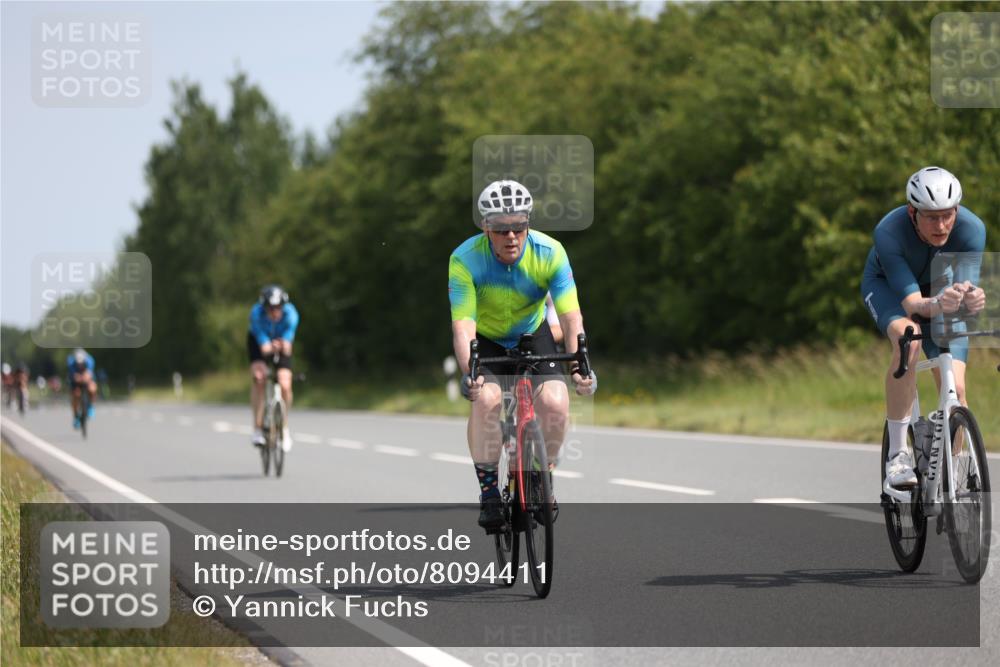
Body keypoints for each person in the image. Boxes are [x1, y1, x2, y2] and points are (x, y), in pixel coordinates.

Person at [449, 179, 596, 531]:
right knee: (486, 400)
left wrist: (579, 363)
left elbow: (570, 316)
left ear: (528, 223)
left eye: (519, 226)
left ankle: (540, 477)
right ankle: (488, 494)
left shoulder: (551, 253)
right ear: (487, 227)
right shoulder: (465, 259)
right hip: (486, 339)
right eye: (501, 229)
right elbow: (463, 326)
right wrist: (471, 371)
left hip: (533, 334)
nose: (511, 236)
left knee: (557, 403)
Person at [861, 166, 987, 488]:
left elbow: (962, 291)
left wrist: (971, 300)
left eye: (948, 215)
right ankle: (899, 455)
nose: (941, 225)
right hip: (891, 289)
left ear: (957, 210)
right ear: (911, 212)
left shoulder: (972, 229)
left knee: (956, 390)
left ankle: (955, 472)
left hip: (939, 291)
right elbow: (914, 305)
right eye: (931, 217)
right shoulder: (888, 231)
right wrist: (938, 304)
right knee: (910, 338)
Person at [248, 284, 300, 451]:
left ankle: (284, 428)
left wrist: (283, 345)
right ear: (264, 307)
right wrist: (268, 346)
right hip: (258, 342)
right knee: (259, 378)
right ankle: (257, 428)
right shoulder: (256, 314)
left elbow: (287, 346)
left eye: (278, 308)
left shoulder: (291, 314)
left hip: (280, 341)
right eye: (270, 308)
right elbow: (263, 347)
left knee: (285, 383)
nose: (274, 311)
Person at [67, 348, 98, 428]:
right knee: (75, 395)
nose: (80, 365)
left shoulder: (90, 361)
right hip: (75, 381)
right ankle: (76, 416)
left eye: (81, 363)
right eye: (78, 364)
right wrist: (78, 378)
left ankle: (90, 406)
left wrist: (85, 378)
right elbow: (74, 376)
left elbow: (89, 374)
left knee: (92, 388)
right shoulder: (71, 362)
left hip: (86, 379)